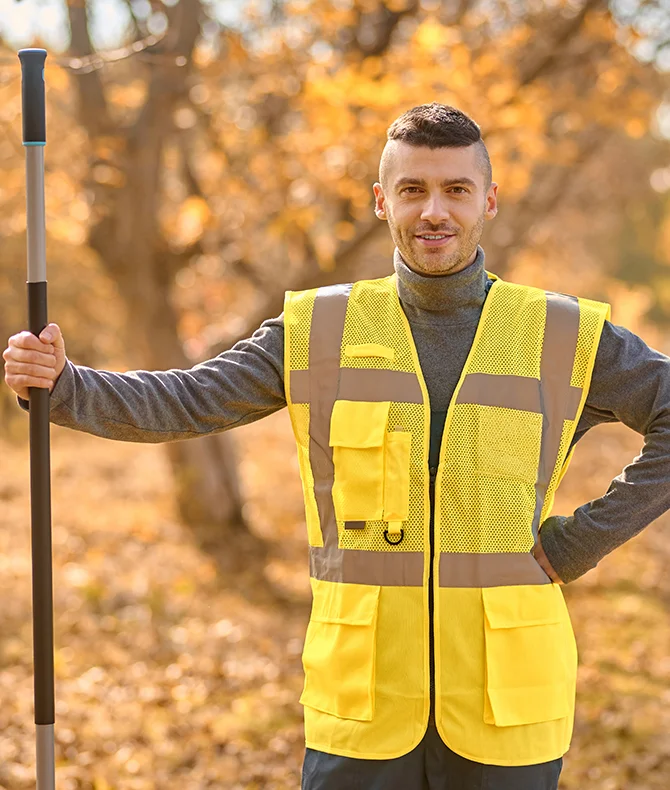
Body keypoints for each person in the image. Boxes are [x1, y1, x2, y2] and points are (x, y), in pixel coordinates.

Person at [4, 103, 670, 790]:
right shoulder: (317, 330)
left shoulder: (562, 334)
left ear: (489, 200)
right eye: (412, 189)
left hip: (508, 708)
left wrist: (578, 544)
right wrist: (67, 385)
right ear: (382, 202)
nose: (433, 211)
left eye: (456, 189)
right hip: (362, 707)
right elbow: (186, 399)